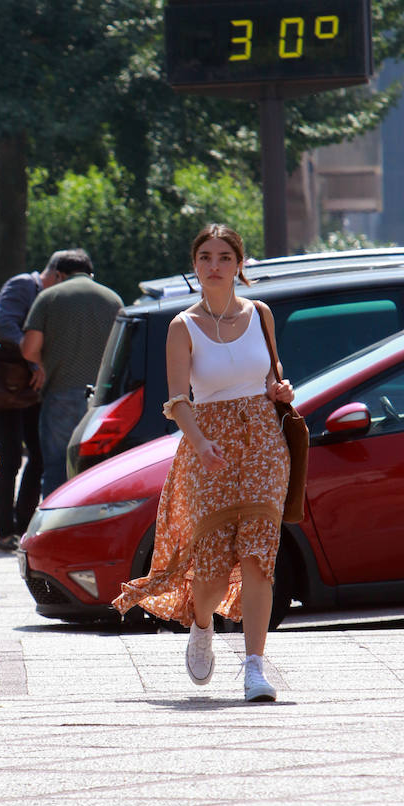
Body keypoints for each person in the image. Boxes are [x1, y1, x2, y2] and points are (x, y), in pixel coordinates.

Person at [112, 223, 294, 703]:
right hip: (208, 447)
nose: (214, 267)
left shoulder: (261, 314)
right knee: (211, 569)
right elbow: (177, 400)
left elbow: (273, 375)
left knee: (259, 559)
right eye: (205, 258)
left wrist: (282, 390)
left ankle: (255, 666)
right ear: (195, 266)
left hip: (263, 446)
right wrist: (200, 442)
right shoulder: (182, 326)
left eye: (224, 258)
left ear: (240, 264)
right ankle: (201, 621)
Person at [0, 255, 66, 551]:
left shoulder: (46, 295)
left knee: (38, 454)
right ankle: (3, 531)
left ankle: (23, 524)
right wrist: (34, 359)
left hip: (28, 387)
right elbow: (3, 326)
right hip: (5, 386)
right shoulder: (22, 285)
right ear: (57, 275)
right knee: (11, 455)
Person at [20, 249, 122, 498]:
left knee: (56, 467)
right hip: (103, 401)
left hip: (60, 395)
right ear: (91, 273)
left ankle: (56, 529)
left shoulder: (49, 297)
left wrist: (42, 364)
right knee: (98, 470)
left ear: (58, 275)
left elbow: (29, 348)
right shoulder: (113, 300)